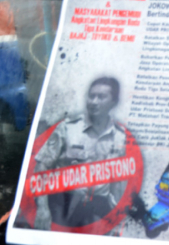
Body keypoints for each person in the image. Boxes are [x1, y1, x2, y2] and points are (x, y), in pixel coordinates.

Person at [33, 77, 127, 229]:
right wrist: (42, 208)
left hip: (98, 207)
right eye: (91, 96)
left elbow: (116, 181)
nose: (94, 101)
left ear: (114, 102)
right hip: (61, 204)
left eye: (101, 97)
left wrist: (117, 217)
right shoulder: (67, 128)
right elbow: (42, 166)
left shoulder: (120, 137)